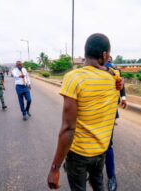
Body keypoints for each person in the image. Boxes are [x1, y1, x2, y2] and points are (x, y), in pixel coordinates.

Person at [47, 33, 121, 191]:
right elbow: (114, 75)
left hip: (78, 154)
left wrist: (55, 168)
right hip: (101, 151)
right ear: (104, 55)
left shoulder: (74, 78)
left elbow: (68, 127)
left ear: (86, 52)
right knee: (98, 183)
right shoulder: (115, 78)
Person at [104, 56, 127, 191]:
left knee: (108, 145)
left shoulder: (115, 71)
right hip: (90, 116)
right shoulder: (86, 71)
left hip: (108, 113)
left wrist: (123, 97)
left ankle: (111, 176)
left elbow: (122, 85)